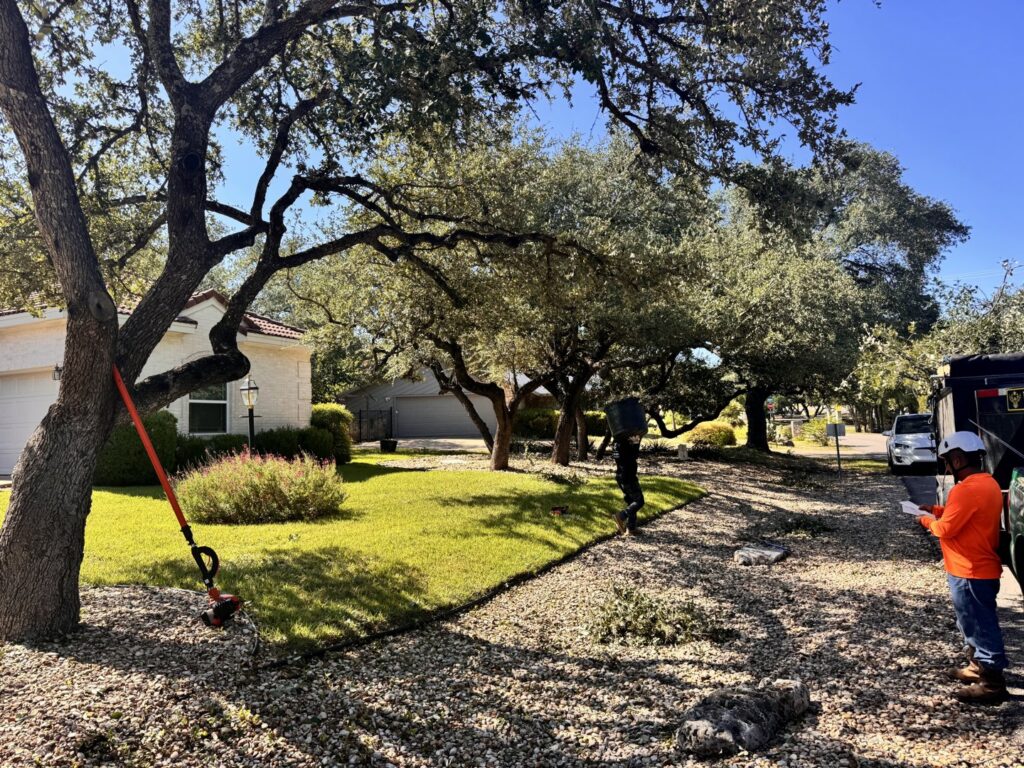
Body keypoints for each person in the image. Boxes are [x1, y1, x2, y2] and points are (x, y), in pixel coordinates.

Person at [917, 431, 1008, 704]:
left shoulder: (965, 489)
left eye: (947, 461)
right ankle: (977, 666)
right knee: (969, 621)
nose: (946, 467)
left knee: (980, 624)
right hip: (976, 568)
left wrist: (925, 520)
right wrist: (935, 509)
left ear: (957, 460)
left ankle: (992, 684)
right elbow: (966, 515)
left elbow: (946, 530)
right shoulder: (988, 484)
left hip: (970, 571)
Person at [612, 433, 644, 536]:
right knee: (639, 501)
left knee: (631, 501)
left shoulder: (615, 443)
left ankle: (631, 528)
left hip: (620, 476)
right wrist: (635, 443)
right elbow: (633, 456)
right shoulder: (625, 444)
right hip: (628, 477)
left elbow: (617, 457)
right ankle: (621, 516)